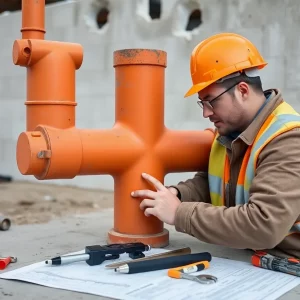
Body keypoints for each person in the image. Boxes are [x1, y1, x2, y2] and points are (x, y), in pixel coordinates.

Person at [131, 32, 300, 259]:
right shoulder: (230, 132)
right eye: (202, 102)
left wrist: (179, 213)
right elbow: (213, 183)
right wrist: (178, 194)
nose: (206, 112)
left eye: (211, 101)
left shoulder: (287, 139)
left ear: (242, 91)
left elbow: (264, 225)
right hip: (255, 256)